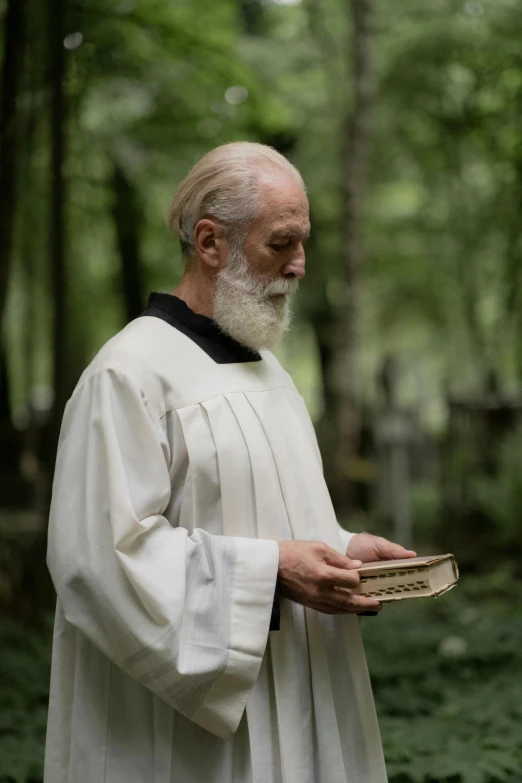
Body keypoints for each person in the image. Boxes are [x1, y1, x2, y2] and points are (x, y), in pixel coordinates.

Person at [44, 141, 416, 783]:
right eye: (282, 243)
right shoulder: (128, 374)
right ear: (210, 242)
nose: (300, 266)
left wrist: (341, 549)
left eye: (304, 243)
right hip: (182, 735)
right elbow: (100, 560)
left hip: (300, 685)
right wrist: (271, 572)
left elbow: (272, 516)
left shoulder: (267, 371)